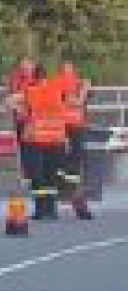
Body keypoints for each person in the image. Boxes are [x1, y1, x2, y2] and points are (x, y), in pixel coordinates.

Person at [9, 72, 69, 220]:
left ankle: (41, 211)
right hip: (56, 139)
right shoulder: (58, 90)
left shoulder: (32, 91)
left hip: (36, 139)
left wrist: (22, 112)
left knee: (38, 176)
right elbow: (72, 104)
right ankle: (52, 210)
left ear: (35, 79)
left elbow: (9, 100)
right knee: (51, 176)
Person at [52, 62, 93, 219]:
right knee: (73, 163)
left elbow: (84, 102)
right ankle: (71, 196)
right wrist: (84, 91)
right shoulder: (64, 83)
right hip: (69, 126)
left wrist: (85, 89)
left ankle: (68, 194)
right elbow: (76, 102)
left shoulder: (75, 81)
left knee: (70, 162)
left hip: (68, 126)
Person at [4, 57, 40, 180]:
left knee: (35, 148)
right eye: (22, 67)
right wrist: (18, 109)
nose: (24, 70)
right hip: (22, 120)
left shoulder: (38, 79)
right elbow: (9, 100)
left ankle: (35, 173)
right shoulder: (16, 80)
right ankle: (28, 174)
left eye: (27, 67)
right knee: (24, 148)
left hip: (36, 121)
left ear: (33, 66)